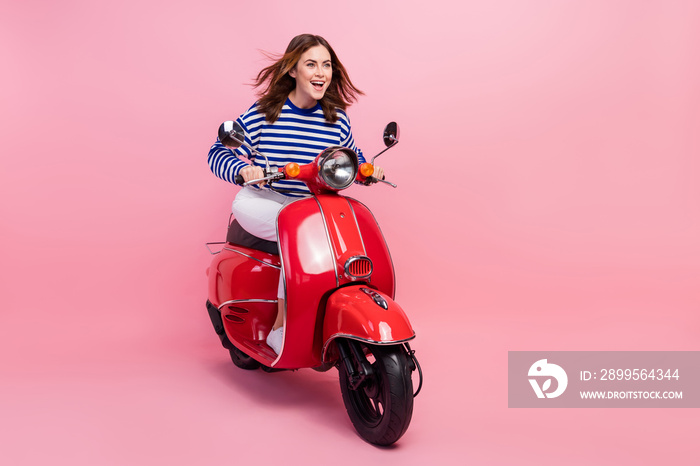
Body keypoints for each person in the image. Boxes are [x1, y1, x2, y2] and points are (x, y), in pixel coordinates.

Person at [208, 34, 384, 355]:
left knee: (339, 240)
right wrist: (241, 170)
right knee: (298, 237)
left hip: (310, 206)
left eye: (326, 65)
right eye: (311, 64)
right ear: (293, 71)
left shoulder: (336, 119)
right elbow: (218, 152)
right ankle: (280, 328)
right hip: (264, 199)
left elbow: (349, 157)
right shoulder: (267, 112)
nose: (320, 73)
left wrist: (367, 170)